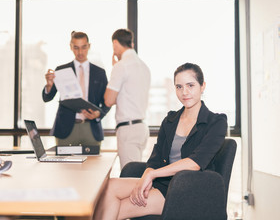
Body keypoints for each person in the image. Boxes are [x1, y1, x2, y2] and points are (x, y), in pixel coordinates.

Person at [94, 63, 227, 220]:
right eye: (179, 87)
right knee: (109, 187)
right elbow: (156, 159)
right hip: (163, 184)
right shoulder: (170, 120)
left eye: (190, 85)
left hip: (189, 189)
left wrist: (152, 175)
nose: (185, 92)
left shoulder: (216, 122)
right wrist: (146, 176)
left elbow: (195, 163)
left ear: (202, 86)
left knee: (117, 209)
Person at [42, 31, 110, 147]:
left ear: (89, 46)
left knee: (93, 165)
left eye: (83, 47)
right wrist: (49, 85)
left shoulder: (99, 73)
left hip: (91, 128)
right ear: (70, 47)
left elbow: (107, 102)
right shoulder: (61, 70)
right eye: (76, 48)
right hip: (65, 129)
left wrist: (98, 113)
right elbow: (47, 97)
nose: (80, 52)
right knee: (63, 165)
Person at [104, 28, 151, 169]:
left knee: (130, 176)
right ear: (132, 44)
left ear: (115, 44)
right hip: (142, 128)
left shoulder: (121, 66)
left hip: (128, 129)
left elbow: (108, 100)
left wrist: (114, 70)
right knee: (136, 174)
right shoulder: (144, 66)